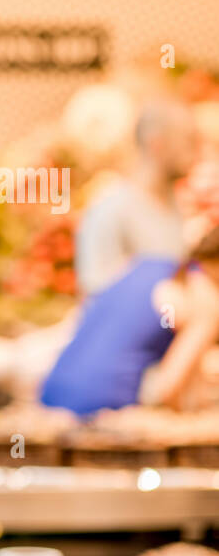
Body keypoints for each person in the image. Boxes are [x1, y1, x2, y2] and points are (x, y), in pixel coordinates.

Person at [42, 222, 219, 415]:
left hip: (49, 394)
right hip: (101, 410)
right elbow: (168, 389)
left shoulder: (147, 265)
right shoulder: (207, 303)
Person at [76, 98, 200, 294]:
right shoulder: (112, 209)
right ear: (157, 144)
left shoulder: (178, 205)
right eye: (188, 141)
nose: (196, 152)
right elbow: (97, 297)